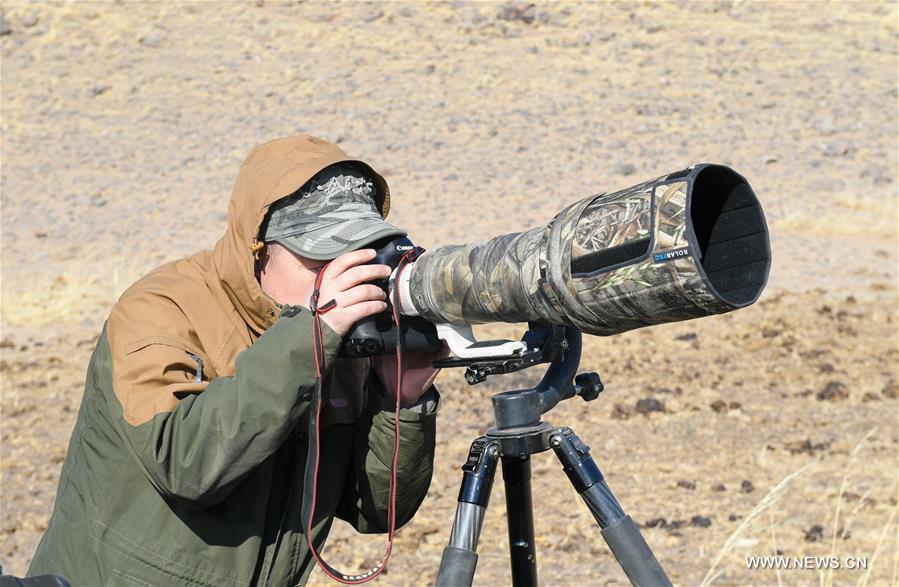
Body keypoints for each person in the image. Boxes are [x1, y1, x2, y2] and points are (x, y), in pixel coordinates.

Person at [27, 135, 443, 586]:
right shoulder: (161, 308)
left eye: (348, 257)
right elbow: (188, 465)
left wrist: (399, 400)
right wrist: (309, 336)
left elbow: (374, 511)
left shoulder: (334, 333)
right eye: (316, 259)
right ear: (258, 247)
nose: (334, 278)